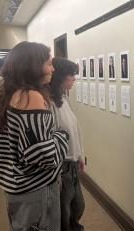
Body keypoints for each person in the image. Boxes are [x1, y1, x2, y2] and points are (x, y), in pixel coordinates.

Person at [0, 41, 69, 231]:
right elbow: (44, 156)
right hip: (35, 191)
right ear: (32, 67)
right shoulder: (31, 97)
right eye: (49, 63)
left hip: (16, 187)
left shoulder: (6, 92)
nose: (53, 68)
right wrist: (62, 136)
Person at [50, 57, 85, 231]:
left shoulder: (63, 99)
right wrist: (56, 173)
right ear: (60, 77)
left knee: (77, 207)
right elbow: (51, 140)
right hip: (62, 168)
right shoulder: (49, 103)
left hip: (72, 166)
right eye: (71, 75)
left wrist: (79, 154)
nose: (74, 78)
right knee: (64, 213)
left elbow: (74, 129)